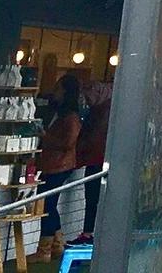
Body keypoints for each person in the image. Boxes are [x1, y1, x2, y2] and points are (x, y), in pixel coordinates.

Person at [36, 74, 83, 252]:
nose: (54, 92)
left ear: (65, 92)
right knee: (48, 202)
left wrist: (45, 136)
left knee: (47, 203)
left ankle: (46, 246)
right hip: (54, 164)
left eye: (58, 88)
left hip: (59, 165)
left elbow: (68, 143)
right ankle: (56, 243)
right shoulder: (61, 113)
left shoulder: (70, 117)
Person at [74, 80, 111, 243]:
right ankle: (91, 232)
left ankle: (89, 233)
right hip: (97, 159)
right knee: (93, 198)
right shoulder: (104, 109)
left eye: (89, 98)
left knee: (93, 197)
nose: (87, 102)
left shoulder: (102, 113)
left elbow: (94, 139)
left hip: (96, 161)